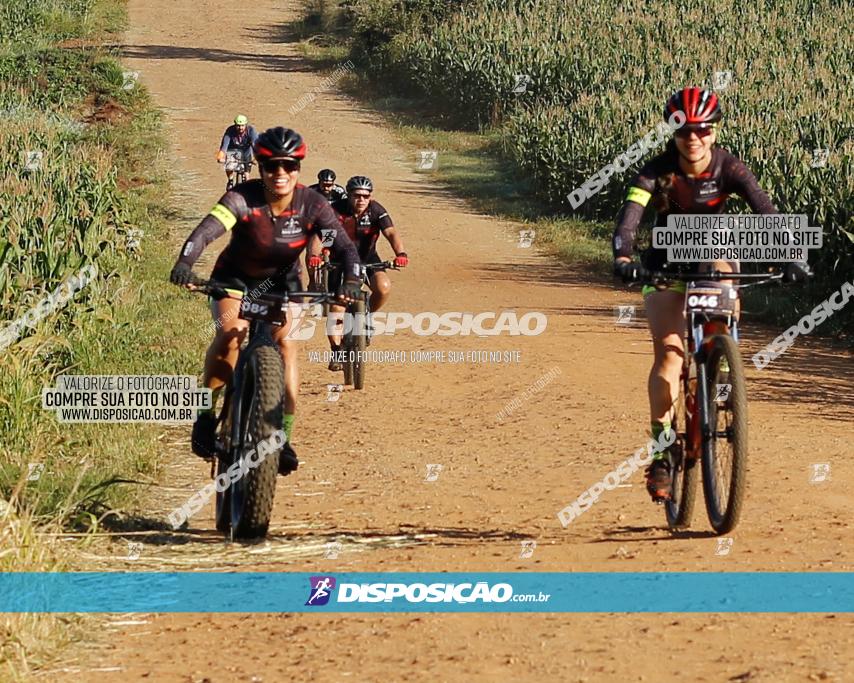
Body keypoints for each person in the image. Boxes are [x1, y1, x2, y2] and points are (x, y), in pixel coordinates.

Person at [612, 87, 811, 501]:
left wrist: (791, 255)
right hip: (664, 268)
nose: (693, 138)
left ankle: (722, 368)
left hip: (712, 260)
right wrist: (624, 255)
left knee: (723, 299)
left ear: (714, 131)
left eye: (702, 130)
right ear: (672, 131)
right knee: (669, 354)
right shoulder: (655, 171)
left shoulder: (730, 168)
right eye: (684, 130)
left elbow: (765, 210)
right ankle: (663, 451)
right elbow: (630, 216)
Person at [170, 127, 362, 474]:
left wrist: (349, 279)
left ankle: (283, 437)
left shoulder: (313, 205)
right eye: (271, 166)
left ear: (298, 168)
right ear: (259, 166)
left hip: (284, 283)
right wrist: (185, 262)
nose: (280, 174)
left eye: (289, 166)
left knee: (287, 345)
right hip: (235, 278)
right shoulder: (242, 198)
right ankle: (204, 416)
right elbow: (205, 232)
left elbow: (346, 248)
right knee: (230, 335)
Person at [310, 175, 408, 371]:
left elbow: (391, 233)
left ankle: (366, 316)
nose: (361, 200)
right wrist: (316, 255)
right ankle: (337, 351)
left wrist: (400, 253)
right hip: (340, 261)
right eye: (356, 195)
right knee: (337, 309)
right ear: (348, 195)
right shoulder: (335, 210)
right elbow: (321, 236)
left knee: (383, 287)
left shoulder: (376, 210)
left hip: (367, 257)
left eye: (366, 196)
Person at [216, 115, 258, 191]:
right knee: (229, 166)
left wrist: (257, 157)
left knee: (247, 178)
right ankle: (230, 180)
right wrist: (220, 157)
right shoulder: (230, 131)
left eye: (242, 126)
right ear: (235, 125)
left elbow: (256, 145)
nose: (240, 128)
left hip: (246, 153)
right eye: (238, 126)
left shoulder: (251, 131)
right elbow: (224, 146)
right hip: (233, 152)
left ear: (246, 125)